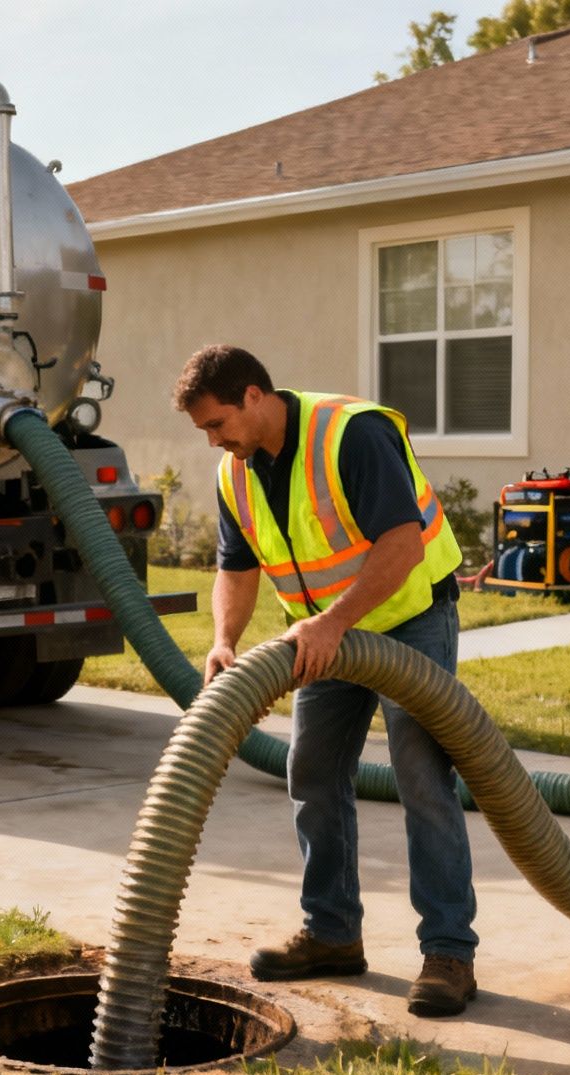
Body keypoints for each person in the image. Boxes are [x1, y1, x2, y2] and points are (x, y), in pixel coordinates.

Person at [175, 343, 478, 1017]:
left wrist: (335, 622)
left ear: (254, 396)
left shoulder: (351, 434)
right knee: (311, 771)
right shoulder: (236, 472)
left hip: (408, 620)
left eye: (217, 423)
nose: (213, 441)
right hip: (323, 638)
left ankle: (449, 953)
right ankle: (333, 932)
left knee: (421, 777)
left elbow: (402, 545)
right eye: (204, 430)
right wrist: (225, 641)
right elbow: (237, 567)